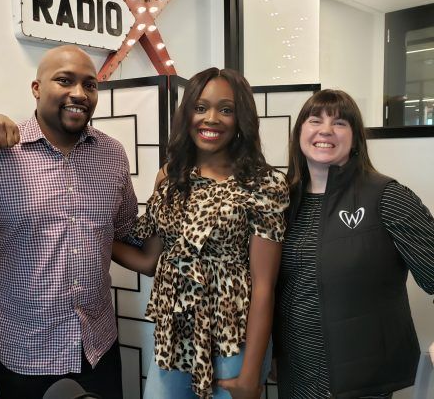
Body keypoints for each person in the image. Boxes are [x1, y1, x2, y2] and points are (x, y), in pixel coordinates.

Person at [0, 45, 138, 399]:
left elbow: (126, 231)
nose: (79, 93)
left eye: (89, 85)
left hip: (97, 346)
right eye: (64, 80)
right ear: (37, 88)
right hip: (24, 351)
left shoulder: (113, 155)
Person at [112, 67, 289, 399]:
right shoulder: (170, 176)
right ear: (187, 114)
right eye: (200, 107)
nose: (211, 118)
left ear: (241, 118)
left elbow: (265, 285)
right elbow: (150, 261)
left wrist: (250, 375)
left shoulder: (264, 183)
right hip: (175, 338)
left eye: (226, 109)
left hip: (233, 341)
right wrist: (95, 240)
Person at [274, 89, 434, 398]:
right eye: (315, 120)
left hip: (361, 379)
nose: (325, 130)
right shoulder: (283, 201)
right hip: (296, 373)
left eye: (339, 123)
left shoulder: (386, 196)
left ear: (355, 137)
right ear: (299, 133)